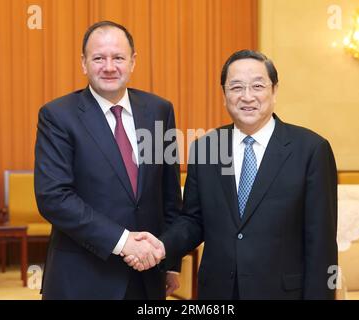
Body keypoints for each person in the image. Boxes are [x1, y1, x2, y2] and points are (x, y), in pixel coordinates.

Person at [126, 49, 338, 299]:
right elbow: (193, 221)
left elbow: (321, 243)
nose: (247, 97)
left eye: (257, 86)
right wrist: (162, 246)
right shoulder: (206, 147)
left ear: (274, 91)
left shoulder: (311, 150)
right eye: (236, 87)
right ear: (224, 95)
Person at [34, 21, 182, 299]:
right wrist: (124, 241)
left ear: (133, 61)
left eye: (118, 57)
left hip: (147, 275)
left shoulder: (160, 110)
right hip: (82, 277)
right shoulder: (57, 116)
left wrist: (171, 261)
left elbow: (169, 193)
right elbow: (53, 197)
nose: (109, 66)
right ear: (83, 63)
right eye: (99, 58)